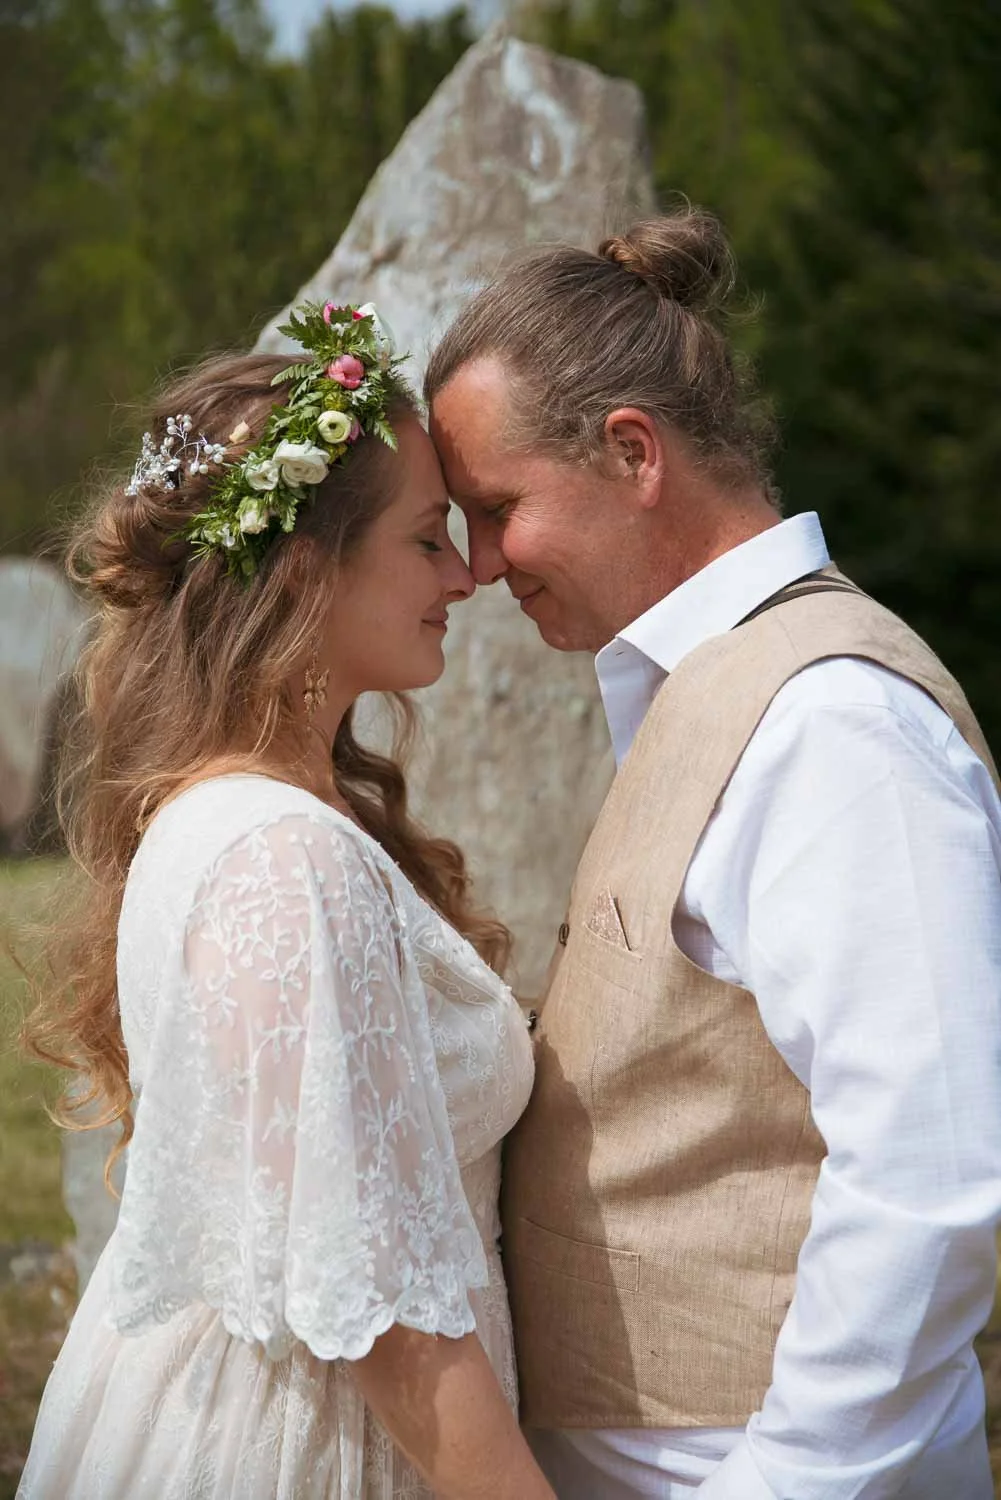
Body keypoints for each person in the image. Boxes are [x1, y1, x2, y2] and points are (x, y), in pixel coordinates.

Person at [425, 206, 1001, 1499]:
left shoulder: (833, 725)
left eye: (496, 508)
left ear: (633, 453)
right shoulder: (727, 693)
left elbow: (935, 1165)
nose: (473, 568)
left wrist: (789, 1482)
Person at [19, 301, 556, 1500]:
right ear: (307, 567)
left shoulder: (259, 817)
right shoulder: (279, 857)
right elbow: (383, 1320)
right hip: (301, 1448)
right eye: (427, 540)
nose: (466, 575)